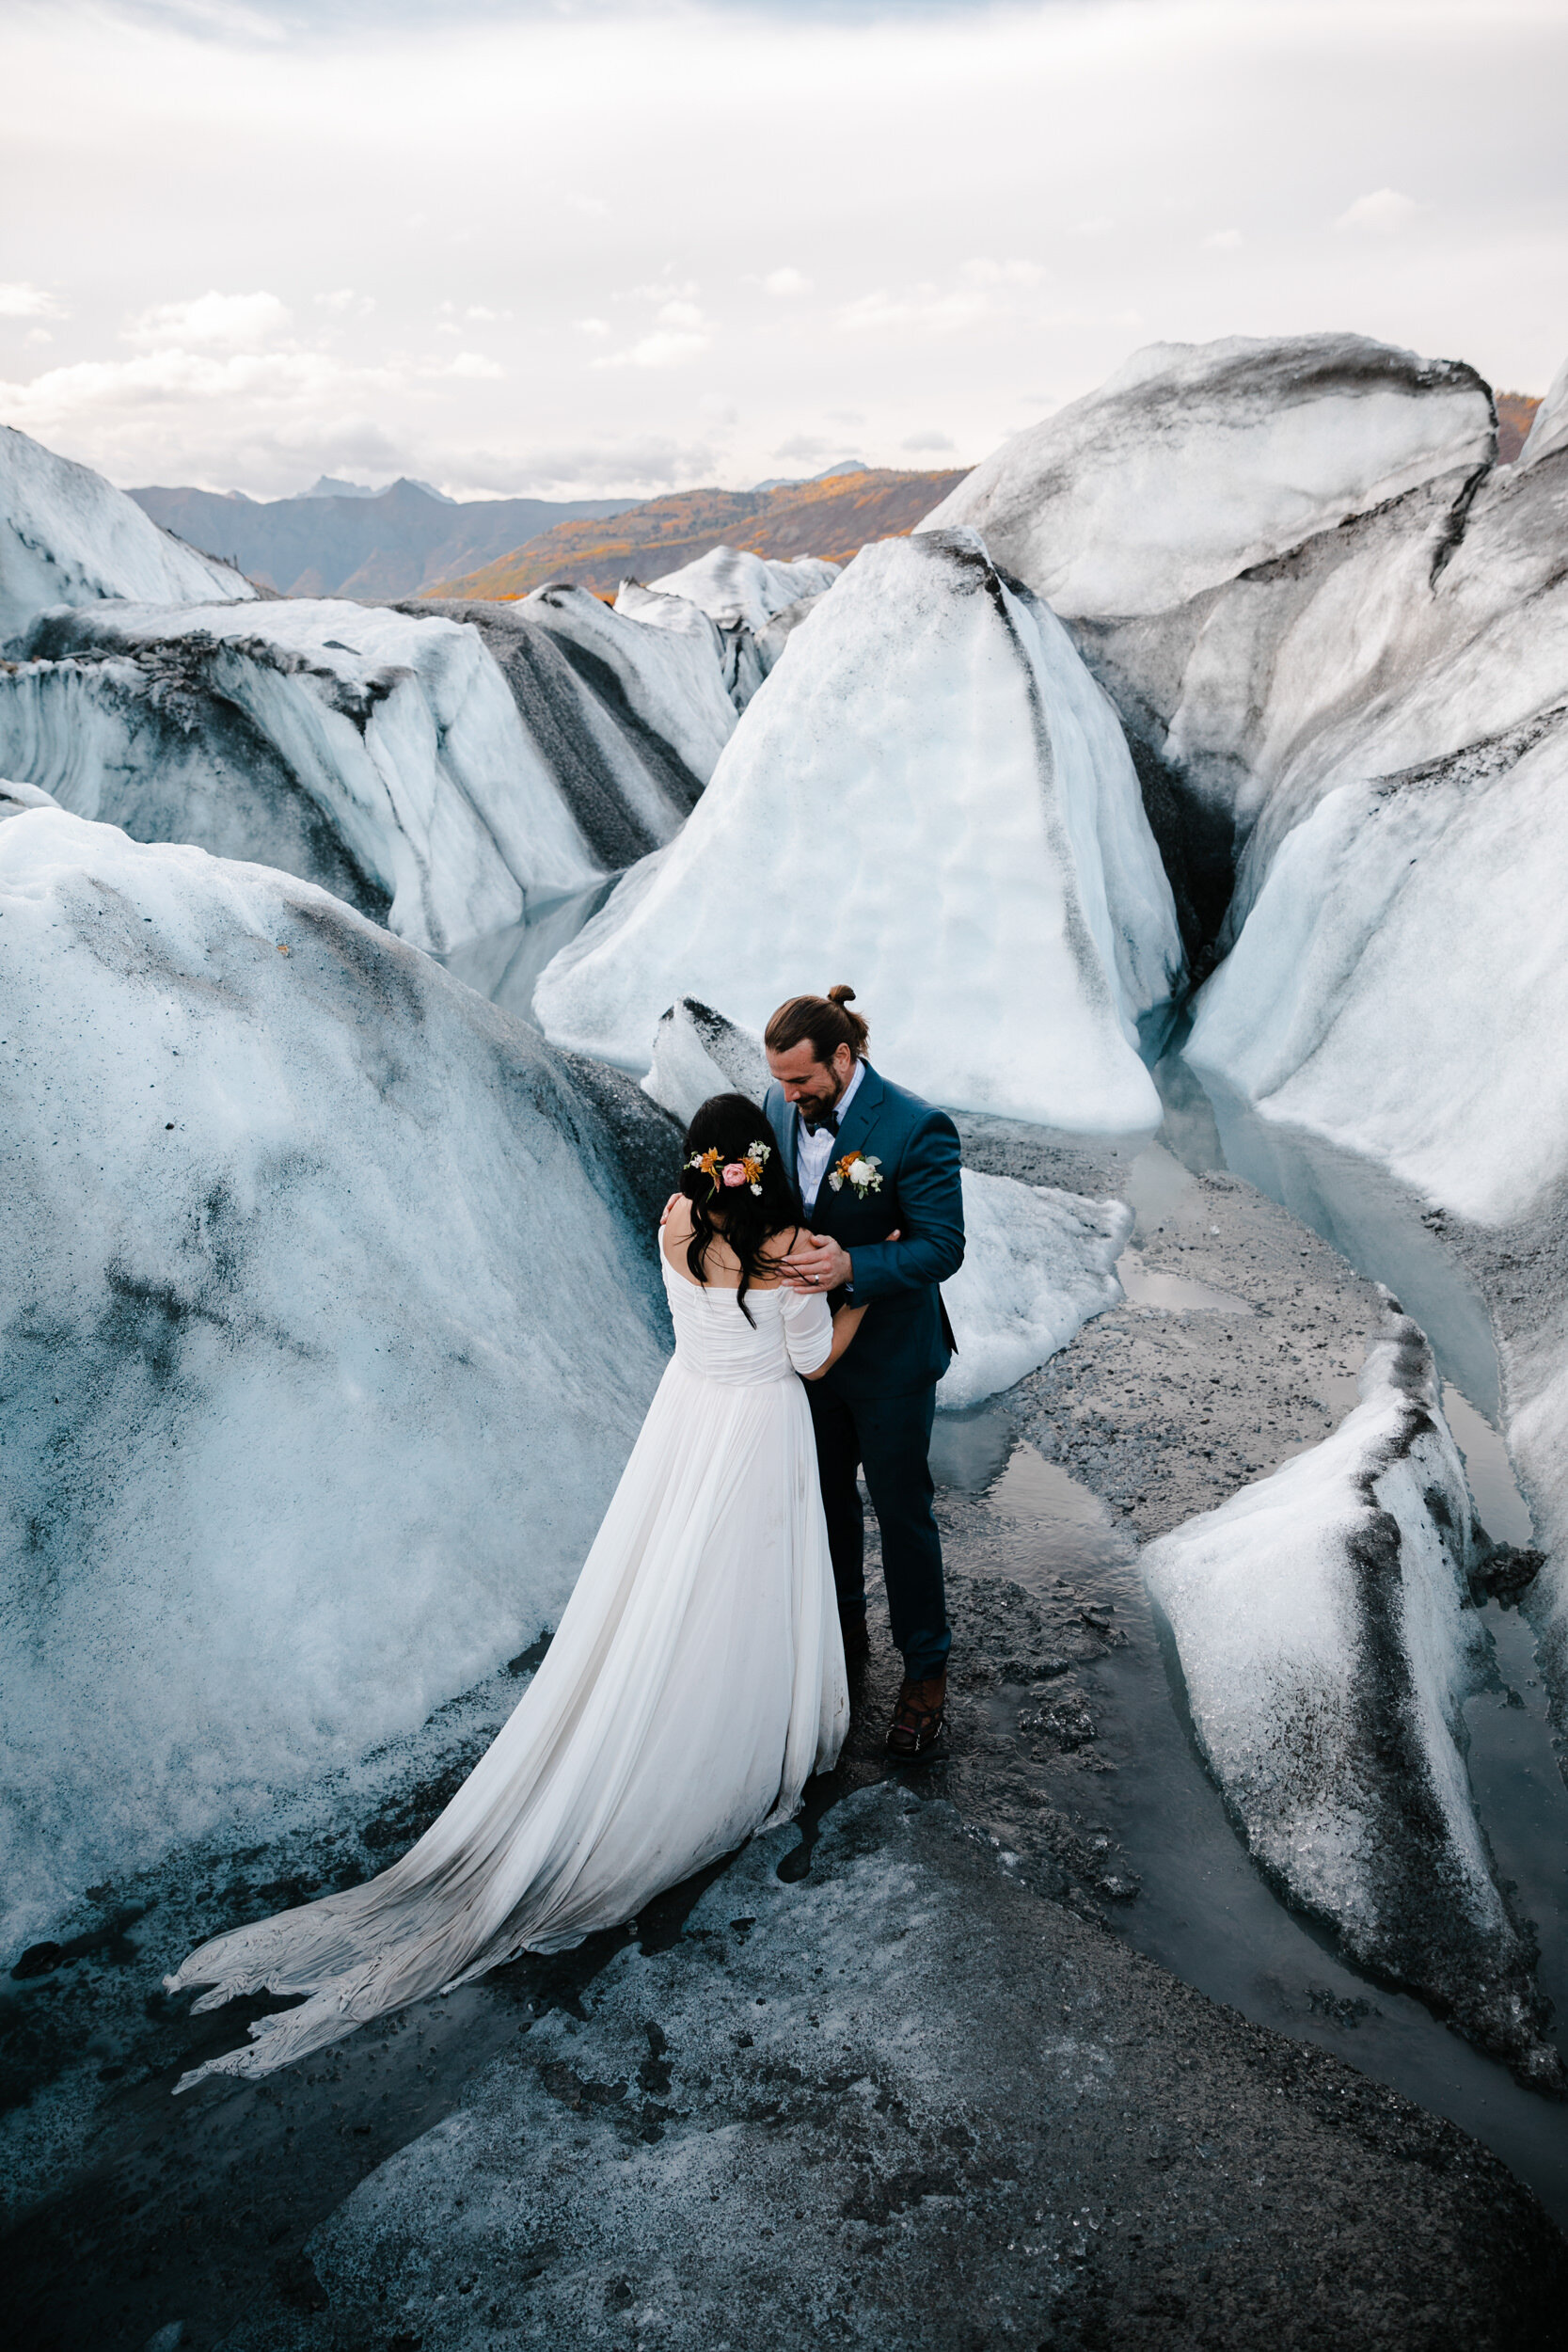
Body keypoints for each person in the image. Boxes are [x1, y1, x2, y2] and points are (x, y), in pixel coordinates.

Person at [164, 1094, 863, 2088]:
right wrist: (863, 1294)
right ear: (757, 1164)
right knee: (737, 1592)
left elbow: (707, 1290)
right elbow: (809, 1357)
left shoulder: (674, 1222)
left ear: (699, 1166)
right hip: (753, 1437)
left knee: (662, 1587)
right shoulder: (786, 1253)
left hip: (685, 1421)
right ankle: (729, 1743)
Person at [763, 987, 964, 1760]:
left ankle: (925, 1675)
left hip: (889, 1361)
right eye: (779, 1082)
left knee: (900, 1514)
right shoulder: (779, 1105)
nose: (787, 1097)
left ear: (843, 1059)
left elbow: (941, 1246)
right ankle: (843, 1643)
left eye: (801, 1082)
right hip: (811, 1360)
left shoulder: (916, 1127)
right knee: (825, 1506)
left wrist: (854, 1262)